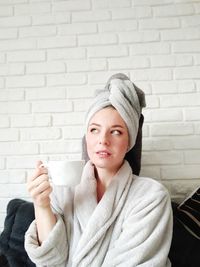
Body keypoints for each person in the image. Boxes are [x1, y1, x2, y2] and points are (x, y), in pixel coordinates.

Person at [25, 73, 173, 267]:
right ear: (86, 136)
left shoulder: (151, 196)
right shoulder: (63, 190)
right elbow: (51, 260)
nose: (103, 139)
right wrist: (41, 205)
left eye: (116, 131)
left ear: (129, 141)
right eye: (94, 129)